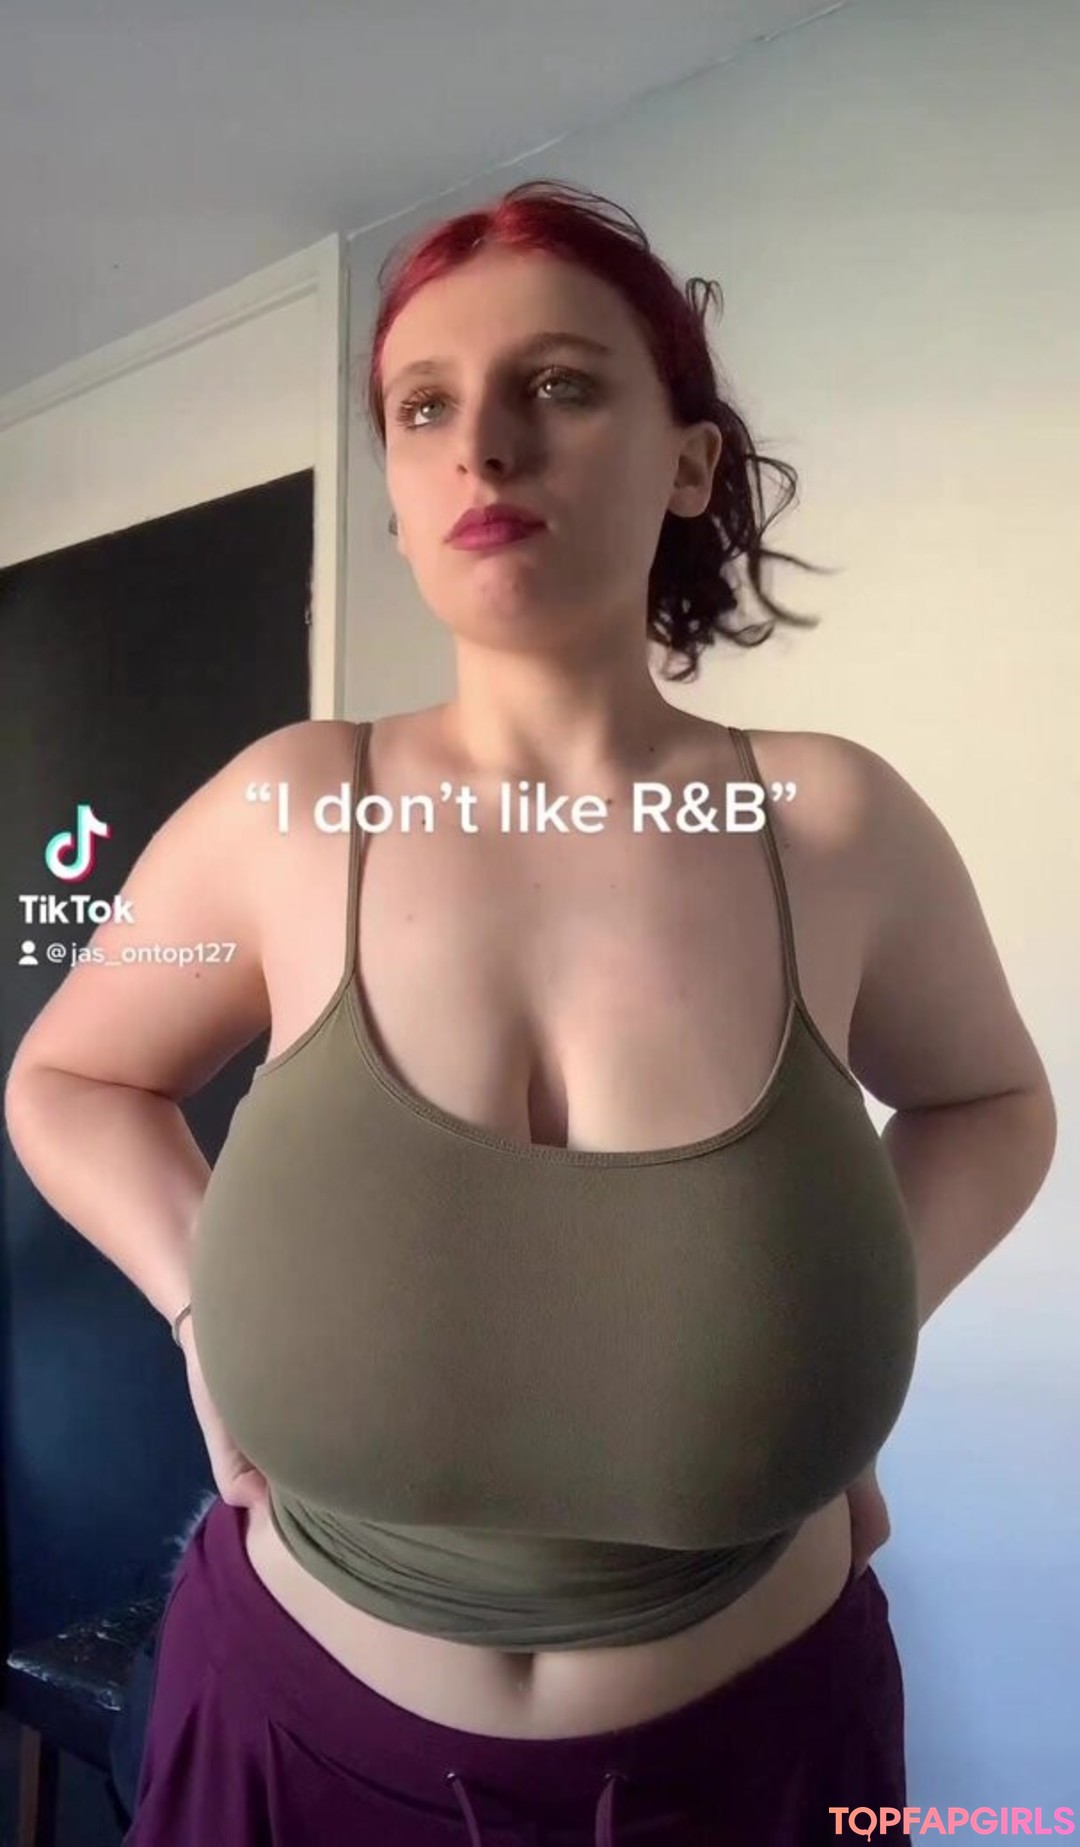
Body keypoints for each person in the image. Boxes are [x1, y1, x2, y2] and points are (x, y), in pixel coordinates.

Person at [4, 180, 1056, 1847]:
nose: (483, 448)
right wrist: (204, 1312)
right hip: (287, 1752)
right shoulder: (293, 813)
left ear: (690, 462)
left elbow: (995, 1102)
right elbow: (68, 1078)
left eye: (558, 385)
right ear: (397, 500)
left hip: (756, 1765)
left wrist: (856, 1330)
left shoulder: (827, 826)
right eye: (425, 409)